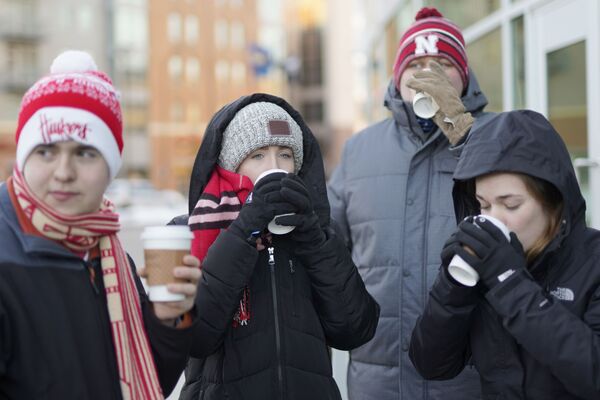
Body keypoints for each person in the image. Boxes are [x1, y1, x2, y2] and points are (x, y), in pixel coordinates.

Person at [0, 50, 201, 399]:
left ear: (110, 167)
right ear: (23, 158)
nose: (64, 172)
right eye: (46, 151)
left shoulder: (107, 250)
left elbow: (145, 380)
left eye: (85, 153)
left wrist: (169, 319)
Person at [327, 7, 492, 400]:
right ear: (398, 78)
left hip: (468, 376)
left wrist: (457, 125)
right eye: (416, 64)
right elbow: (326, 244)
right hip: (377, 377)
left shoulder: (494, 138)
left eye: (442, 64)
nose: (427, 75)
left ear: (463, 77)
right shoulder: (359, 149)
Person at [173, 93, 380, 400]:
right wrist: (244, 228)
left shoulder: (317, 231)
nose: (274, 165)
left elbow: (355, 328)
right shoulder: (191, 230)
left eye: (284, 154)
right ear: (232, 165)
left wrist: (314, 237)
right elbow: (195, 339)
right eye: (258, 155)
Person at [409, 110, 600, 399]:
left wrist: (510, 282)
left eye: (510, 205)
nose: (494, 219)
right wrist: (451, 289)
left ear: (554, 203)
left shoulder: (593, 261)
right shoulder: (483, 268)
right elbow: (432, 364)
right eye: (483, 205)